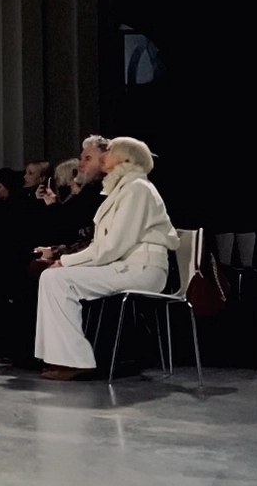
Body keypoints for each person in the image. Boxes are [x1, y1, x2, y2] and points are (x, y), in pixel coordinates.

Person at [35, 137, 179, 381]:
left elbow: (112, 246)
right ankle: (63, 357)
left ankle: (75, 360)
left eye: (110, 151)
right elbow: (104, 245)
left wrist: (67, 261)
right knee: (52, 277)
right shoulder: (122, 189)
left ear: (124, 158)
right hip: (126, 265)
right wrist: (67, 261)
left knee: (57, 279)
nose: (104, 155)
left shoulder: (137, 189)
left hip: (143, 269)